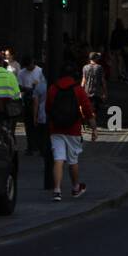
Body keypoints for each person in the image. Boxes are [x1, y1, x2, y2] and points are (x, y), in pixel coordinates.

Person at [46, 63, 96, 201]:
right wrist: (94, 129)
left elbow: (48, 108)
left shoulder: (53, 88)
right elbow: (87, 110)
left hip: (56, 128)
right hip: (73, 129)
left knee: (58, 159)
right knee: (72, 160)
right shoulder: (78, 89)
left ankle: (57, 190)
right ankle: (75, 188)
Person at [16, 54, 43, 155]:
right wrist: (27, 90)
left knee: (38, 124)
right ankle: (31, 146)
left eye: (30, 66)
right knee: (28, 124)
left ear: (33, 62)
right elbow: (19, 86)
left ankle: (38, 146)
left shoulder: (40, 71)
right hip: (27, 100)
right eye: (27, 67)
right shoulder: (21, 73)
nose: (29, 68)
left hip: (39, 100)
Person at [81, 52, 107, 130]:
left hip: (86, 92)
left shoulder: (85, 67)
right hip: (96, 92)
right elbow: (103, 81)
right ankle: (93, 124)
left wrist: (81, 91)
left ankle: (88, 122)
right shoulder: (99, 67)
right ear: (95, 58)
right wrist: (105, 92)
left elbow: (83, 81)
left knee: (87, 108)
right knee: (95, 109)